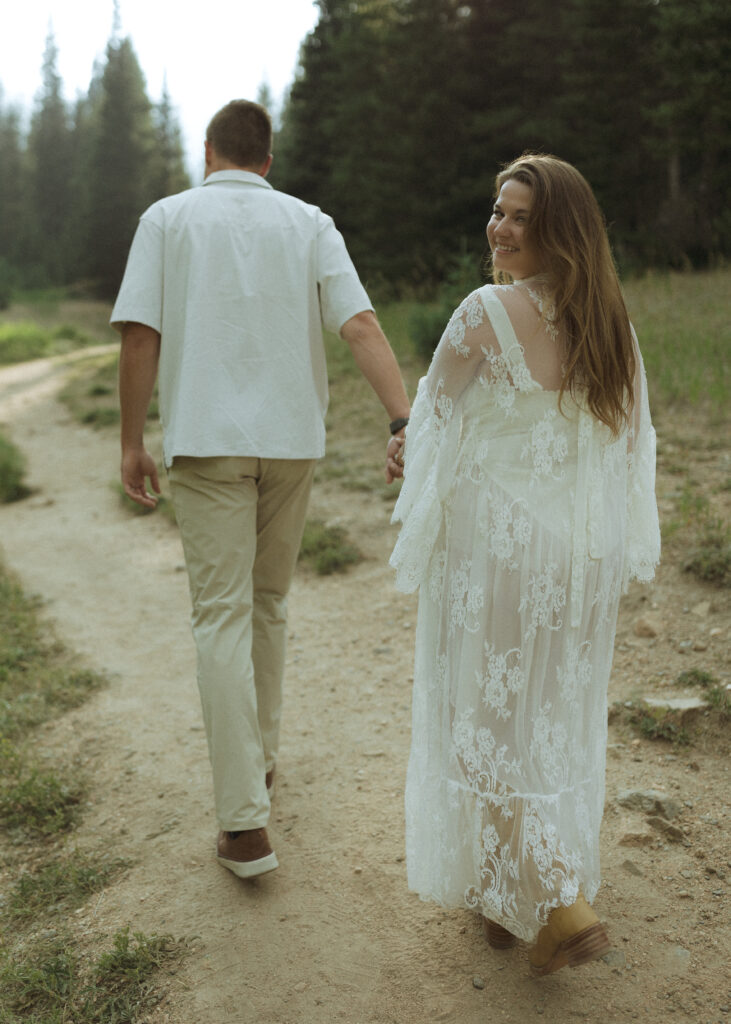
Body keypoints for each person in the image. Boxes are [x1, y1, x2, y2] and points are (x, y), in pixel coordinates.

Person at [111, 99, 410, 880]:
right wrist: (402, 417)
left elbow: (142, 334)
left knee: (220, 616)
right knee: (268, 604)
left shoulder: (166, 219)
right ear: (267, 161)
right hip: (290, 446)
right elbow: (359, 327)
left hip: (207, 445)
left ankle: (244, 825)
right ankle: (260, 765)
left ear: (207, 152)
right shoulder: (309, 222)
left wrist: (131, 440)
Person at [387, 154, 660, 975]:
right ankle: (502, 894)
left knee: (481, 720)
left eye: (518, 218)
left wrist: (404, 453)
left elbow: (433, 419)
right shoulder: (613, 323)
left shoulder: (484, 312)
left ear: (557, 233)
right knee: (543, 718)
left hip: (500, 550)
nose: (498, 228)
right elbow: (631, 445)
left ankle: (559, 903)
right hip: (578, 556)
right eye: (496, 211)